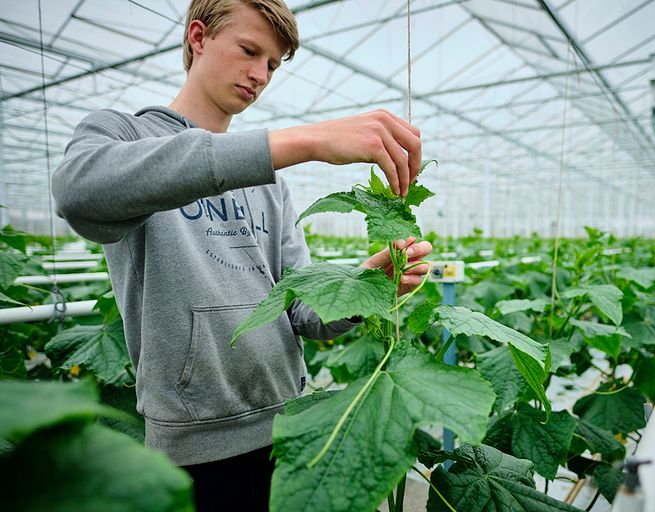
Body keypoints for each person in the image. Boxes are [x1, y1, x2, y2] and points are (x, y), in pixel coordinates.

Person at [52, 0, 432, 510]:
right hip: (196, 446)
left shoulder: (267, 181)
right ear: (198, 37)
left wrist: (361, 286)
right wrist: (306, 140)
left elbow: (298, 309)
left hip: (292, 425)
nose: (259, 75)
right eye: (250, 51)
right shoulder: (124, 135)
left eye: (272, 65)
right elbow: (80, 193)